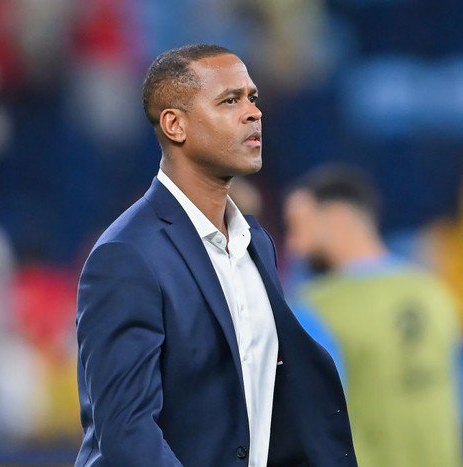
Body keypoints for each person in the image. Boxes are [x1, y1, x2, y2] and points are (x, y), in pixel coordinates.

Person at [75, 44, 356, 467]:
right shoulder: (127, 255)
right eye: (230, 101)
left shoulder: (254, 242)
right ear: (175, 125)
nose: (253, 113)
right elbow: (127, 432)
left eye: (252, 98)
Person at [283, 165, 463, 467]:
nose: (294, 244)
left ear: (338, 219)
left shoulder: (314, 308)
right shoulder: (435, 293)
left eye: (298, 226)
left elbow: (310, 424)